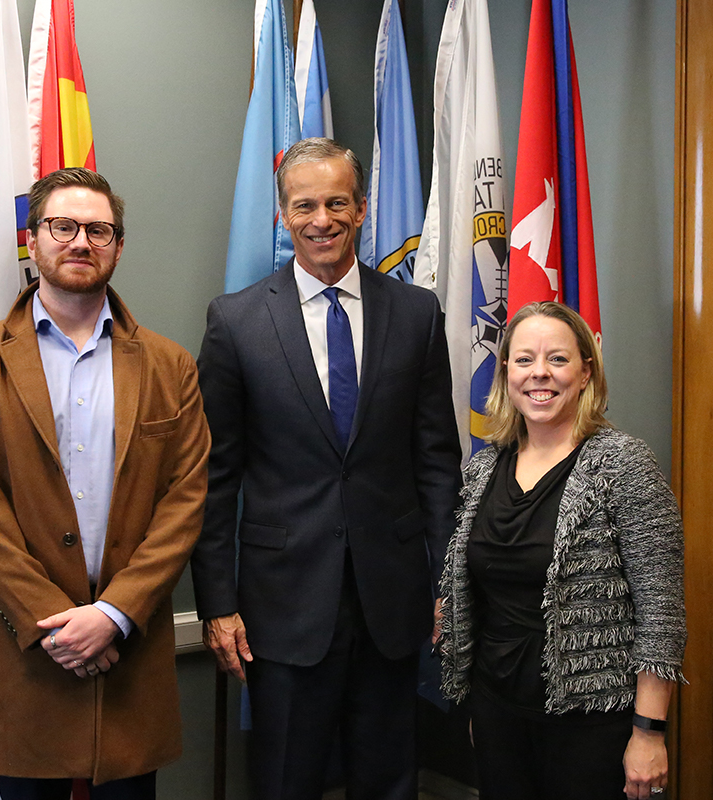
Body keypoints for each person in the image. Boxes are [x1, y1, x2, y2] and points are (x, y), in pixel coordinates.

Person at [192, 137, 463, 800]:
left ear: (362, 209)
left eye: (337, 202)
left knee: (390, 779)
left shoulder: (416, 313)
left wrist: (446, 580)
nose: (322, 219)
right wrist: (217, 603)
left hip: (392, 600)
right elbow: (212, 476)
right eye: (305, 205)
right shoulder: (236, 322)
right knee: (287, 779)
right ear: (283, 216)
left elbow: (436, 462)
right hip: (282, 605)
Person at [0, 167, 210, 799]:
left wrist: (114, 615)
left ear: (117, 246)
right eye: (64, 226)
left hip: (129, 656)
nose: (81, 241)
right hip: (26, 655)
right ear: (33, 241)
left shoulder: (171, 367)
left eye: (99, 229)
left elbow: (185, 503)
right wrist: (57, 625)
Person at [435, 301, 687, 800]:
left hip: (591, 723)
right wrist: (476, 709)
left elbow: (661, 614)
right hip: (496, 711)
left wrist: (648, 733)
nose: (539, 374)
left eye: (558, 359)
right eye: (524, 359)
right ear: (505, 369)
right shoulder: (483, 471)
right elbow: (467, 595)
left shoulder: (624, 466)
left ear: (586, 370)